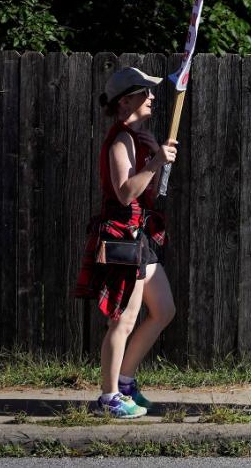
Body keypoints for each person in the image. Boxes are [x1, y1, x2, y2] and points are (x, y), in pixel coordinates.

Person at [74, 66, 178, 418]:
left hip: (140, 236)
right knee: (123, 319)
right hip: (122, 237)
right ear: (125, 100)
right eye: (143, 91)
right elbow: (123, 193)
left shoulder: (138, 136)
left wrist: (157, 159)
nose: (151, 97)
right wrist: (155, 163)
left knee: (163, 309)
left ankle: (126, 380)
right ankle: (108, 397)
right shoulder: (120, 139)